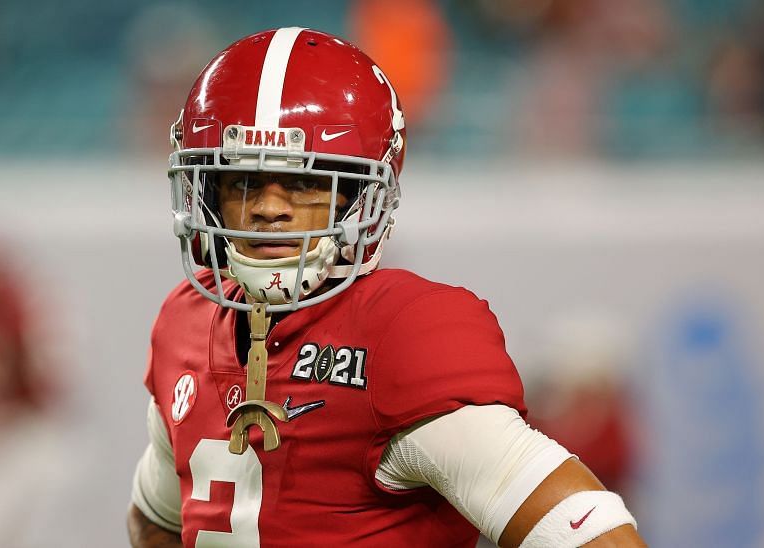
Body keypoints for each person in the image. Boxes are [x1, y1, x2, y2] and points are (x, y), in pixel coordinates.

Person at [127, 27, 645, 548]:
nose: (268, 208)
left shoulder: (398, 332)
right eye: (243, 181)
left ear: (362, 197)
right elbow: (156, 521)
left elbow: (590, 533)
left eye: (306, 182)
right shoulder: (185, 323)